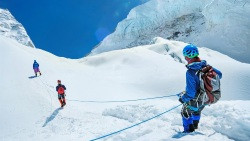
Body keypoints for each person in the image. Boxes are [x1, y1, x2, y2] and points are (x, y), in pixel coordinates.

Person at [179, 44, 222, 133]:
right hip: (207, 97)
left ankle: (188, 131)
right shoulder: (206, 66)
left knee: (185, 111)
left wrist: (183, 99)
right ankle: (195, 126)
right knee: (197, 109)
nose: (185, 58)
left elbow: (191, 93)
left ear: (187, 57)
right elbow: (220, 75)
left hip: (198, 98)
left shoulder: (190, 72)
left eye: (185, 56)